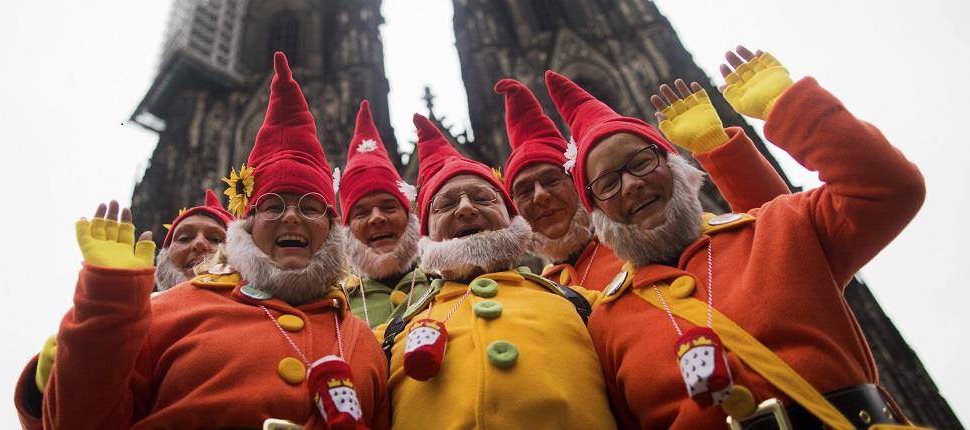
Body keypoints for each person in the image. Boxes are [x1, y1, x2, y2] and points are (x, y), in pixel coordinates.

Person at [546, 46, 926, 428]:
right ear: (596, 212)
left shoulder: (777, 227)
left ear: (676, 166)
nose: (630, 185)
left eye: (642, 162)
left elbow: (889, 187)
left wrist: (787, 107)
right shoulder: (606, 324)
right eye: (607, 183)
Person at [41, 52, 389, 429]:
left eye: (310, 207)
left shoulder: (364, 344)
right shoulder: (166, 313)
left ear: (333, 225)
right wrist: (104, 307)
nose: (291, 216)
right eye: (272, 206)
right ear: (245, 223)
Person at [382, 113, 615, 429]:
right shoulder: (385, 339)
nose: (466, 207)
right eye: (445, 204)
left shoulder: (591, 307)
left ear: (512, 218)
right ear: (425, 234)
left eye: (482, 197)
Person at [494, 78, 789, 291]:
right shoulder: (540, 292)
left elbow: (777, 234)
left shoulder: (646, 236)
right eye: (523, 191)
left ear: (582, 188)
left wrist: (722, 150)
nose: (541, 196)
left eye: (551, 180)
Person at [13, 189, 233, 430]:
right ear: (164, 259)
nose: (200, 244)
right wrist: (46, 388)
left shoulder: (269, 307)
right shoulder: (134, 318)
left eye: (215, 239)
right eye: (183, 238)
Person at [339, 100, 429, 328]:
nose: (377, 217)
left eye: (389, 207)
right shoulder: (333, 305)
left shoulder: (449, 286)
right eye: (361, 212)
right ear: (347, 228)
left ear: (411, 218)